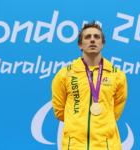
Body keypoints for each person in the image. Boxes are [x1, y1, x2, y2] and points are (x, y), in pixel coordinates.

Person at [52, 21, 128, 150]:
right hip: (74, 146)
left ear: (102, 44)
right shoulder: (65, 74)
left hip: (107, 145)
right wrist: (77, 120)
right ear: (80, 45)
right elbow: (60, 111)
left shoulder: (117, 75)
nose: (92, 40)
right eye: (87, 37)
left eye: (96, 37)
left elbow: (115, 110)